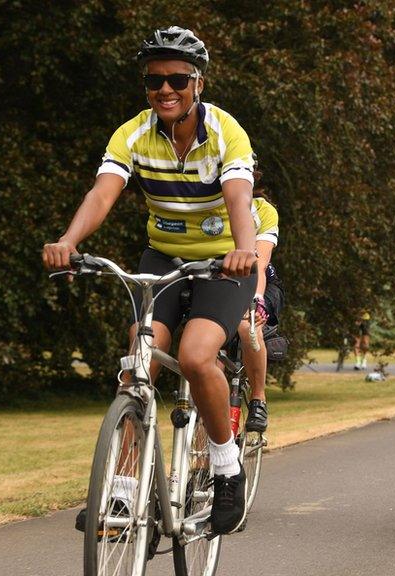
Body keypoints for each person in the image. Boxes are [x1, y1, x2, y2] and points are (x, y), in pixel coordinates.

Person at [42, 26, 256, 534]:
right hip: (161, 260)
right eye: (155, 81)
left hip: (222, 266)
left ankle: (226, 468)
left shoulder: (227, 133)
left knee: (195, 356)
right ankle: (121, 491)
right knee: (136, 366)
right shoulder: (133, 134)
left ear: (197, 83)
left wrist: (244, 250)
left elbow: (239, 200)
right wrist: (68, 242)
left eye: (178, 79)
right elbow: (102, 194)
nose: (166, 90)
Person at [236, 167, 281, 433]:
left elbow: (259, 265)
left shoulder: (263, 210)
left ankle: (258, 397)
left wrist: (256, 299)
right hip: (221, 283)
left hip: (260, 282)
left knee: (247, 325)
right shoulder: (208, 207)